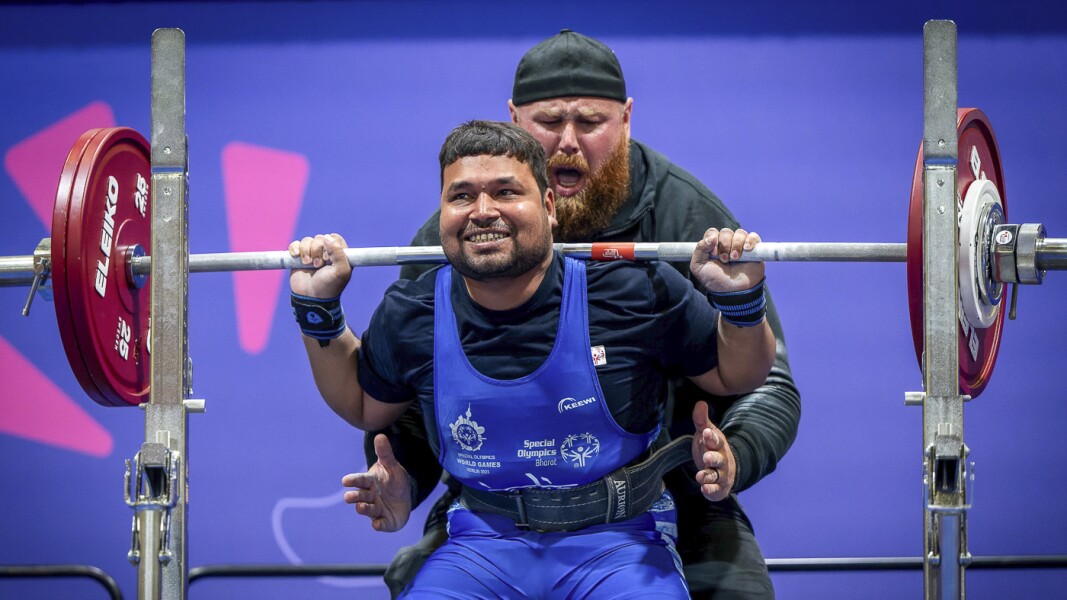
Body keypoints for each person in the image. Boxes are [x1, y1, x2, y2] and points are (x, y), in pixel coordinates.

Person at [374, 30, 801, 599]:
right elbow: (410, 387)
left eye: (590, 122)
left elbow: (767, 381)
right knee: (412, 580)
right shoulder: (463, 236)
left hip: (663, 490)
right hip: (493, 502)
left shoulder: (686, 215)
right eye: (549, 122)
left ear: (626, 119)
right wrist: (401, 473)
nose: (568, 143)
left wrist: (733, 457)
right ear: (514, 118)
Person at [290, 120, 776, 598]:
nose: (482, 211)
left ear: (548, 207)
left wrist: (741, 304)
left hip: (622, 540)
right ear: (441, 213)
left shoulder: (631, 292)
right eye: (461, 196)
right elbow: (361, 403)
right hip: (480, 542)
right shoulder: (413, 314)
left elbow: (738, 373)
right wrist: (318, 311)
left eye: (505, 192)